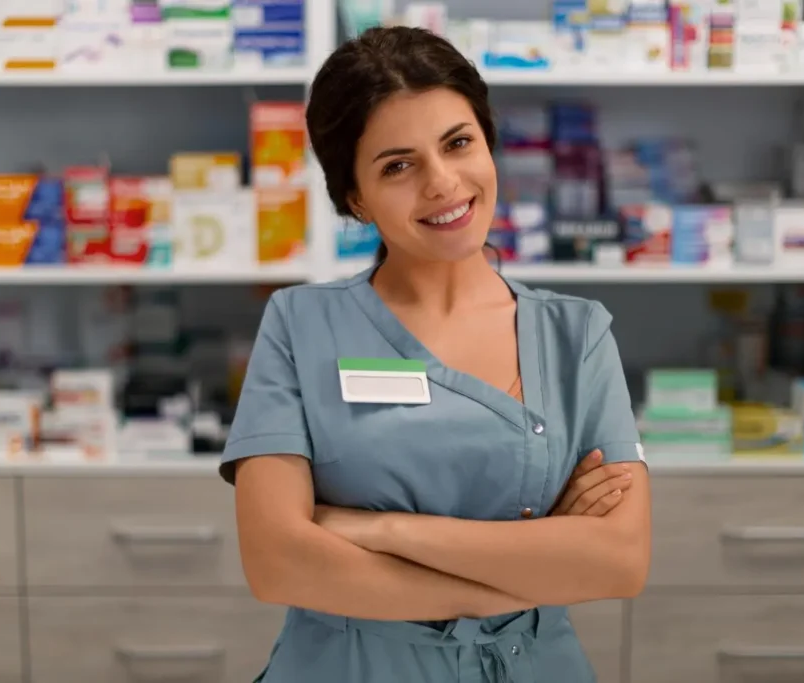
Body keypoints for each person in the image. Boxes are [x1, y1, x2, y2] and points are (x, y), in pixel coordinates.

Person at [220, 25, 651, 683]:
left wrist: (386, 530)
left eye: (458, 143)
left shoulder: (577, 334)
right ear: (354, 197)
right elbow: (278, 561)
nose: (443, 183)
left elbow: (619, 560)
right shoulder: (300, 324)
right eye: (398, 165)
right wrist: (517, 578)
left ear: (488, 143)